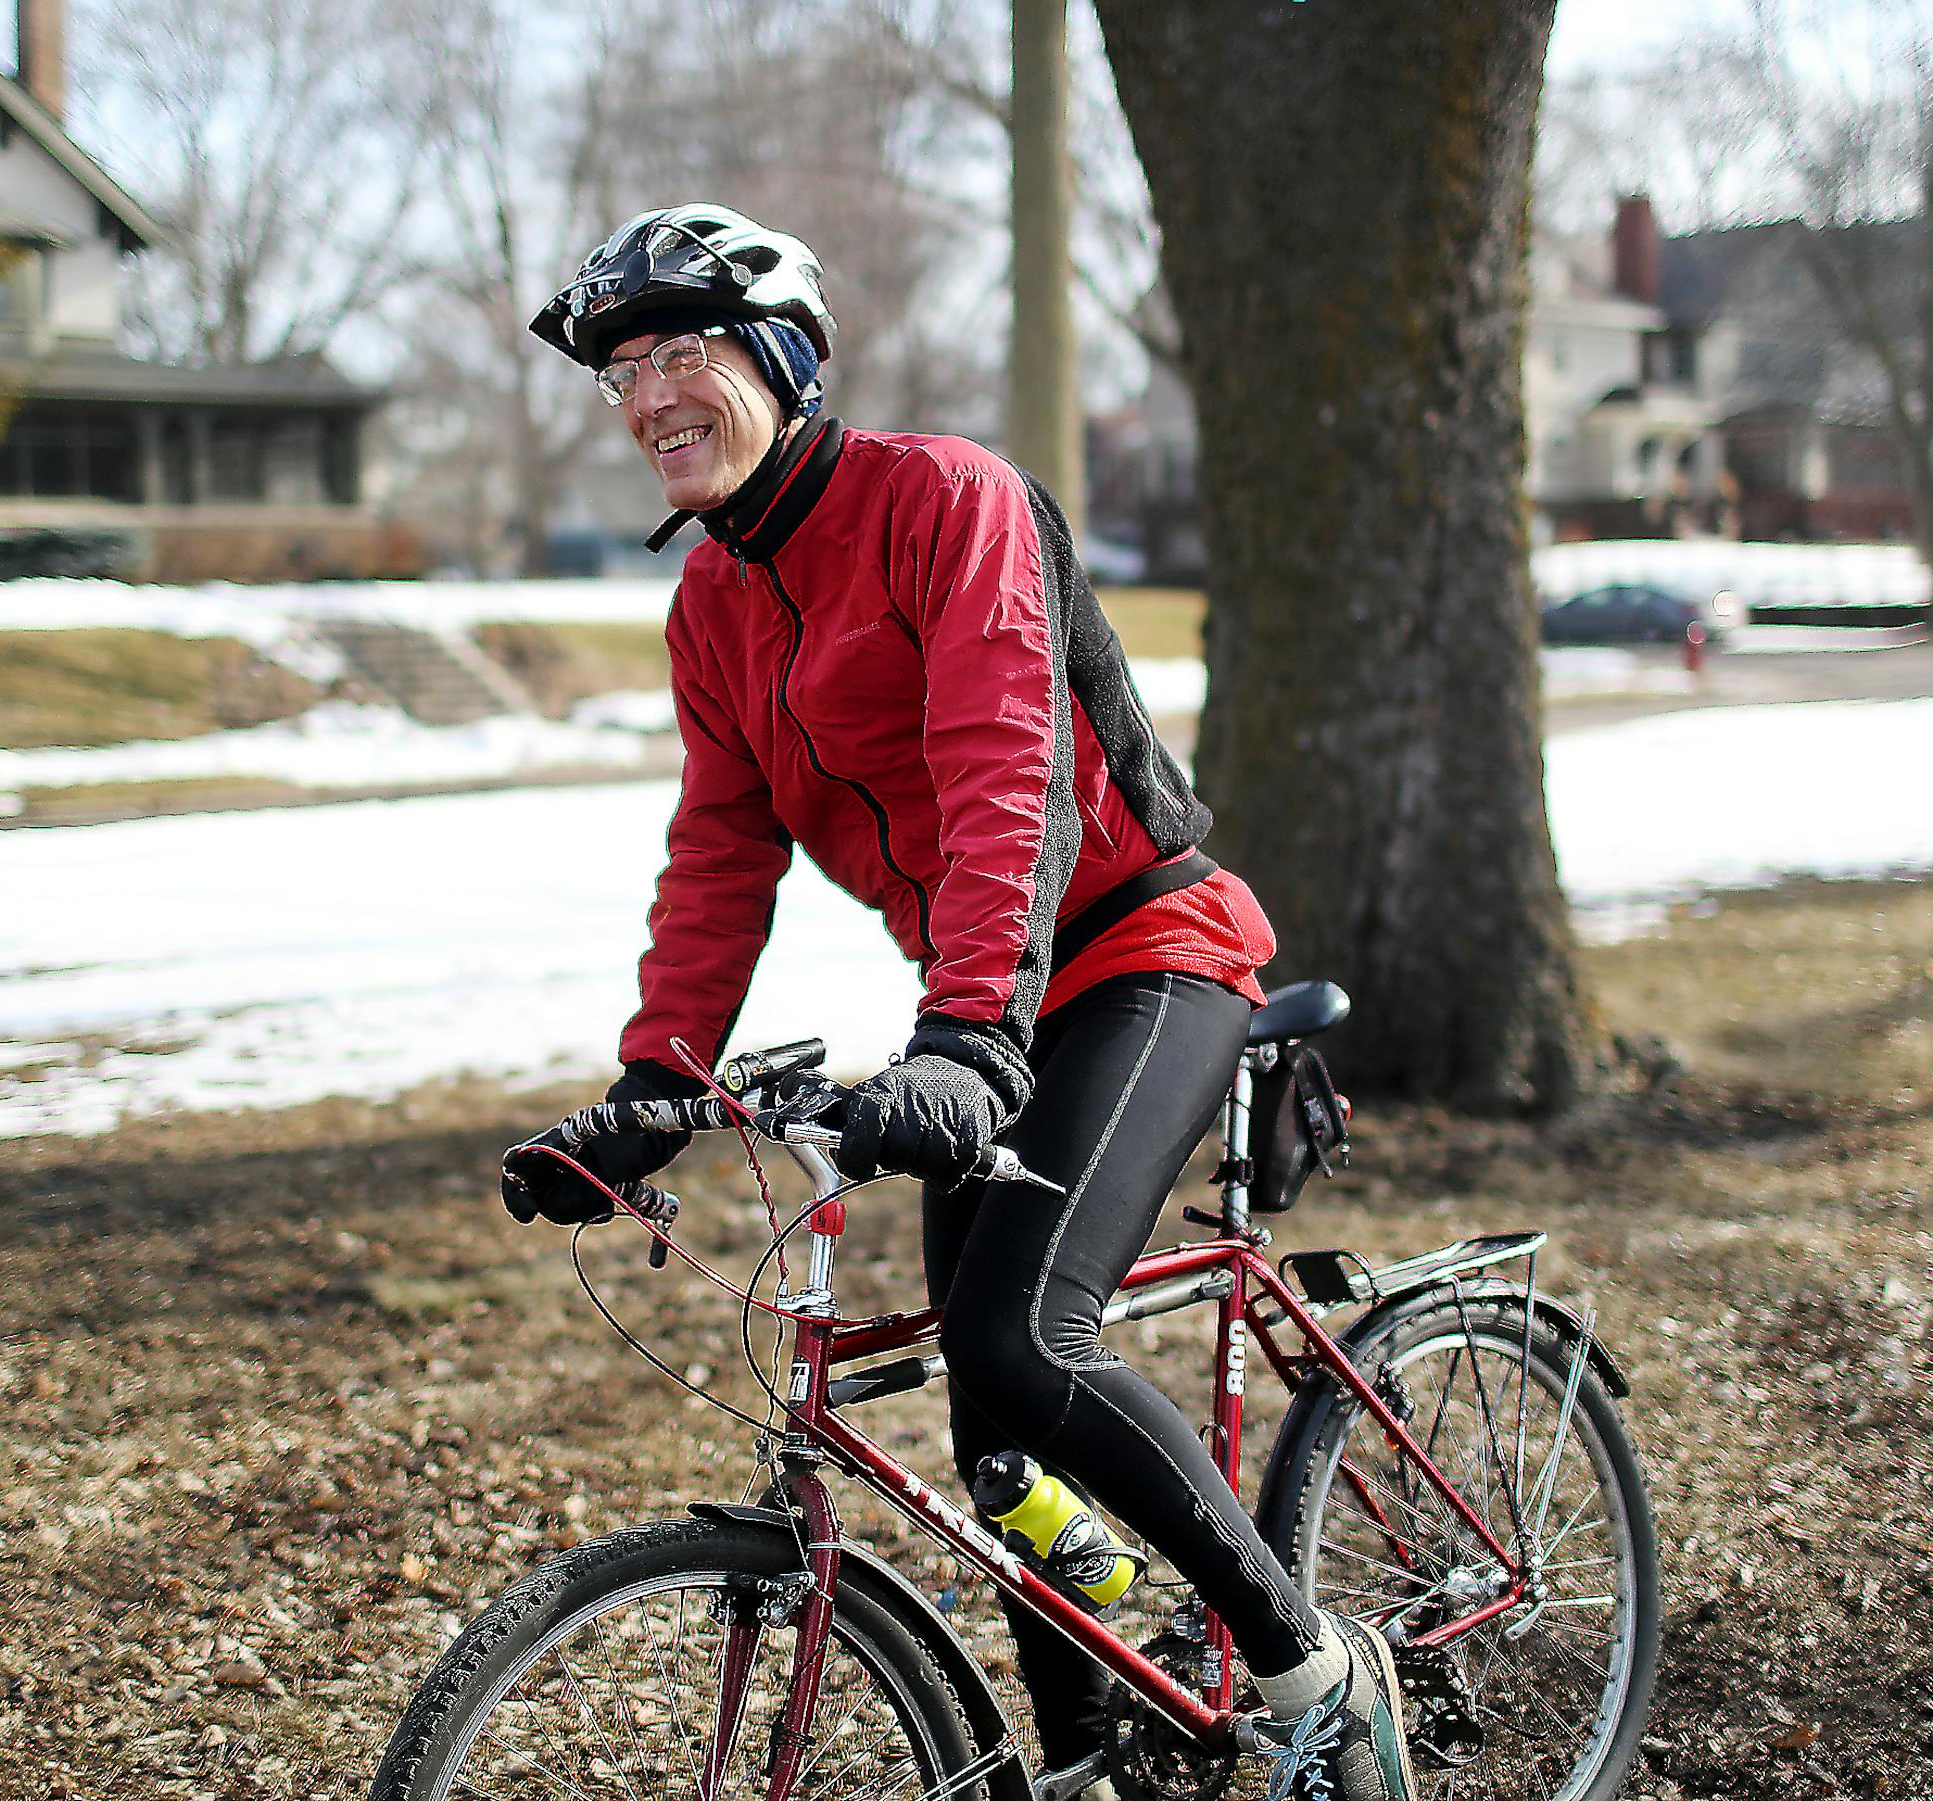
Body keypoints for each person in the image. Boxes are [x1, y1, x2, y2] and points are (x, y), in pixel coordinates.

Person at [502, 203, 1416, 1801]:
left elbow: (1014, 772)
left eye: (684, 352)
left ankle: (1320, 1677)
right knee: (994, 1428)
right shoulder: (712, 603)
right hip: (985, 1001)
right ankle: (1088, 1761)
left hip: (1144, 954)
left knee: (1021, 1329)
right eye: (622, 372)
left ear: (781, 357)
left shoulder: (945, 500)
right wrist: (654, 1084)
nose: (648, 398)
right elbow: (720, 849)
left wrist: (973, 1035)